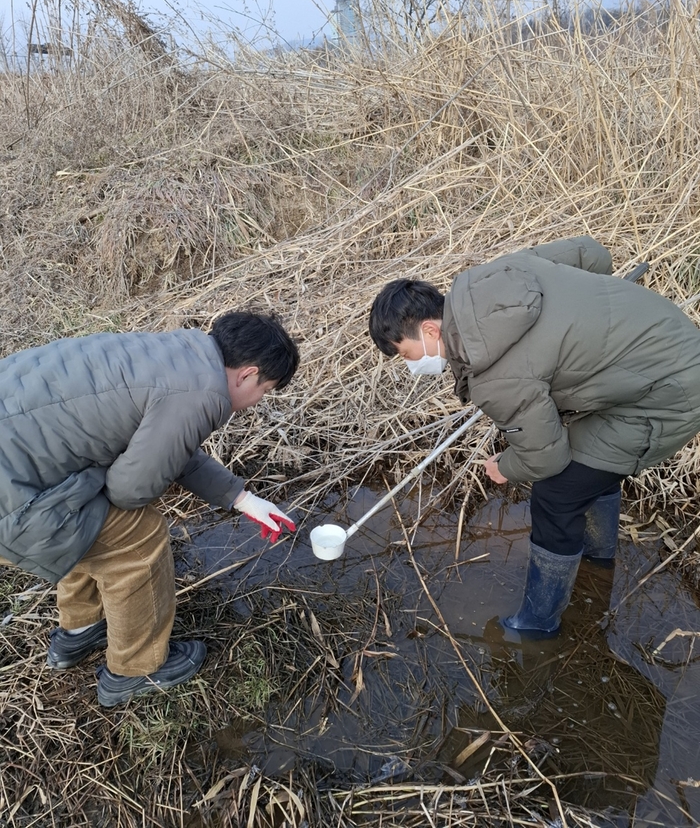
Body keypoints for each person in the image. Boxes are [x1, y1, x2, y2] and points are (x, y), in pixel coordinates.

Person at [369, 236, 700, 636]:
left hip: (671, 394)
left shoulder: (496, 378)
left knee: (557, 494)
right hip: (668, 336)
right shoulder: (495, 276)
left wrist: (505, 467)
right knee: (590, 457)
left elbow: (545, 458)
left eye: (406, 354)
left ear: (429, 330)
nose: (412, 366)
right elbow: (592, 254)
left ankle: (537, 623)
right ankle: (598, 560)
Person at [0, 311, 299, 705]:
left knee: (87, 515)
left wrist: (241, 498)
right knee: (136, 537)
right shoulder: (203, 394)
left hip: (20, 461)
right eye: (266, 389)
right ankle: (133, 669)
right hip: (12, 498)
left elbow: (168, 445)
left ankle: (79, 631)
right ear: (246, 374)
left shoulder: (177, 354)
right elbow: (130, 490)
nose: (257, 402)